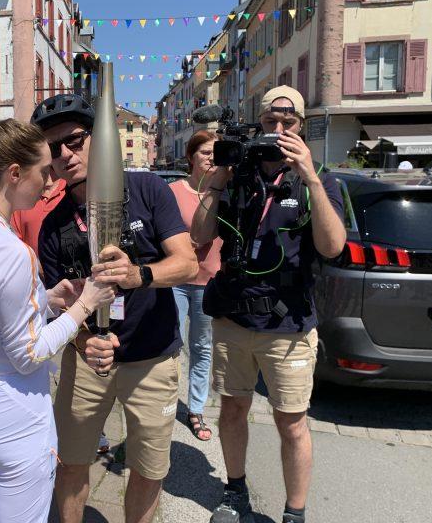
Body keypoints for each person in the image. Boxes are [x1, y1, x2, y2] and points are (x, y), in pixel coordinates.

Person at [32, 94, 198, 523]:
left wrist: (138, 275)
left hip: (152, 356)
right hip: (89, 362)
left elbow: (186, 263)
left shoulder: (146, 189)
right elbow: (58, 304)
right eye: (52, 149)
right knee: (71, 462)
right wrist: (85, 340)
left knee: (146, 469)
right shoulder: (53, 222)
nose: (64, 155)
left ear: (97, 139)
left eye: (73, 140)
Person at [0, 116, 116, 523]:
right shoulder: (11, 249)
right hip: (11, 412)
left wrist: (48, 298)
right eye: (43, 170)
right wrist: (84, 304)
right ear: (15, 173)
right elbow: (28, 353)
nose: (51, 180)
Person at [191, 85, 346, 523]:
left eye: (288, 123)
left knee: (291, 422)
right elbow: (199, 235)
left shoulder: (318, 178)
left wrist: (311, 177)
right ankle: (235, 490)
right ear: (259, 123)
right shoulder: (238, 174)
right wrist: (217, 177)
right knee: (233, 407)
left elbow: (332, 247)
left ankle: (295, 512)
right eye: (270, 123)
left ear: (301, 126)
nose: (278, 131)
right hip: (235, 317)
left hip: (288, 323)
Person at [169, 130, 223, 441]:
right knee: (171, 343)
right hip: (176, 280)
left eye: (216, 153)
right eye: (205, 152)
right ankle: (163, 398)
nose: (211, 159)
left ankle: (196, 408)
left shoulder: (224, 191)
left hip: (209, 281)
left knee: (202, 347)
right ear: (191, 157)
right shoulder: (174, 191)